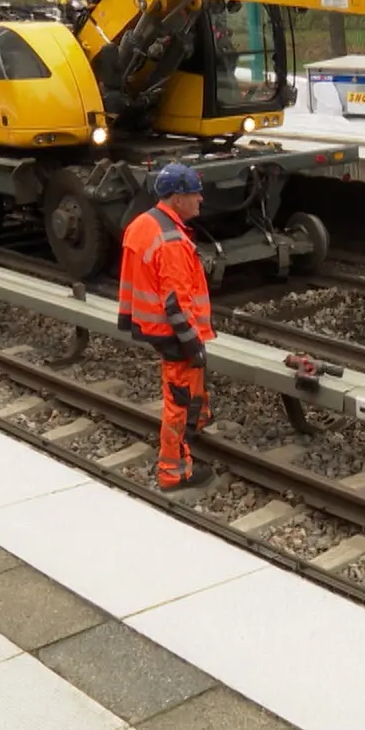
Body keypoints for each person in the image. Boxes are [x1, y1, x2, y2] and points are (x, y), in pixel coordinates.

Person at [116, 163, 216, 491]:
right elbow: (175, 302)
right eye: (193, 193)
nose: (200, 198)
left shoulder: (144, 224)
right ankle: (173, 472)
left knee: (187, 392)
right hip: (173, 334)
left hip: (152, 325)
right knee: (179, 400)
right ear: (177, 199)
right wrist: (192, 344)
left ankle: (195, 428)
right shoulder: (171, 240)